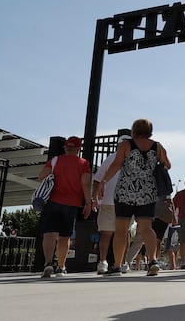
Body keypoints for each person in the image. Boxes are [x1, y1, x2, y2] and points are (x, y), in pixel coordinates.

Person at [96, 118, 171, 277]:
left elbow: (116, 165)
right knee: (146, 228)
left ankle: (117, 265)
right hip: (147, 193)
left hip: (125, 192)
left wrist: (103, 181)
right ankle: (153, 260)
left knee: (121, 230)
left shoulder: (126, 145)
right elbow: (168, 165)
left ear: (134, 129)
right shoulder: (157, 146)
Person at [38, 136, 92, 277]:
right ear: (79, 148)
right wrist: (88, 203)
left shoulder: (55, 160)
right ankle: (61, 267)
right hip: (71, 204)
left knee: (49, 234)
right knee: (64, 236)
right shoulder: (83, 163)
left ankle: (48, 263)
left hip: (53, 201)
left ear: (65, 147)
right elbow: (85, 184)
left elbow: (42, 176)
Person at [92, 133, 129, 274]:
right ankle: (123, 263)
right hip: (127, 202)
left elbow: (97, 180)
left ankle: (103, 262)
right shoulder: (134, 159)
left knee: (106, 234)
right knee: (124, 233)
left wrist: (95, 198)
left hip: (108, 200)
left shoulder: (110, 158)